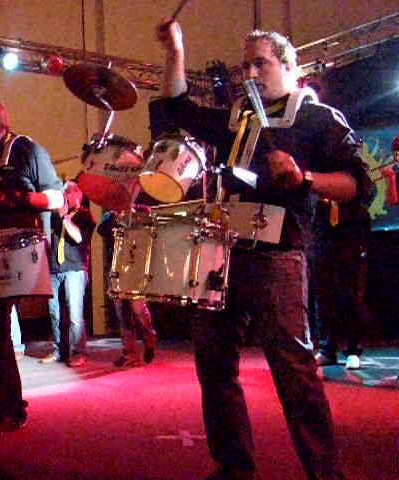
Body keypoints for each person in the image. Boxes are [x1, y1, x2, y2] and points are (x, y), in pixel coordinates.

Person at [155, 20, 373, 480]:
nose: (250, 74)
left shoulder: (317, 118)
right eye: (245, 66)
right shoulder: (236, 118)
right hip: (222, 252)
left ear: (290, 67)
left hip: (278, 252)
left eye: (261, 64)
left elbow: (357, 185)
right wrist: (176, 49)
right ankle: (234, 466)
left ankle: (325, 474)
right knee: (214, 365)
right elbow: (176, 106)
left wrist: (305, 178)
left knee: (294, 372)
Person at [0, 94, 63, 438]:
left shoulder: (28, 150)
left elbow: (57, 198)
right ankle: (9, 410)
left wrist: (16, 198)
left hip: (23, 250)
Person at [40, 181, 96, 367]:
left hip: (75, 270)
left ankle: (78, 352)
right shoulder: (55, 216)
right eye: (63, 193)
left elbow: (78, 237)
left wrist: (65, 218)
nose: (64, 196)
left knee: (74, 314)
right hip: (55, 269)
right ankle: (59, 350)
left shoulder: (85, 215)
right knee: (54, 313)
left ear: (78, 195)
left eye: (68, 192)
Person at [313, 200, 372, 370]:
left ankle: (353, 350)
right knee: (324, 298)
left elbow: (365, 200)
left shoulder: (353, 199)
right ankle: (327, 349)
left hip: (350, 242)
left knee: (350, 297)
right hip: (324, 242)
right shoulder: (321, 202)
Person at [97, 210, 157, 368]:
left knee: (138, 309)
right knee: (122, 314)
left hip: (136, 268)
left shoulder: (142, 210)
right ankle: (130, 353)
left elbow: (149, 225)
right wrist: (115, 216)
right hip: (117, 270)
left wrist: (131, 213)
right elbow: (101, 231)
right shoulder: (110, 216)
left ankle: (150, 340)